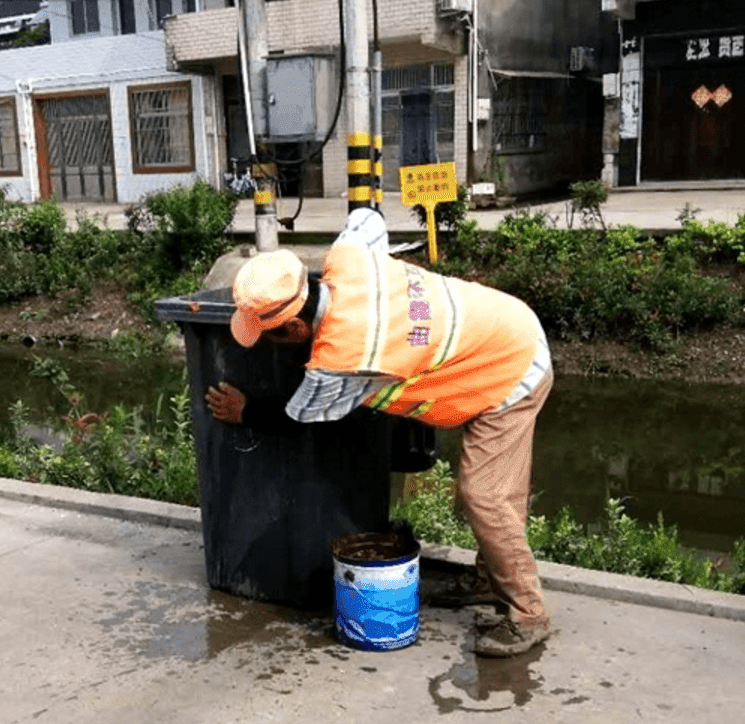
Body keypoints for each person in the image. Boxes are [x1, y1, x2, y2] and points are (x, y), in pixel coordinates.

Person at [205, 208, 554, 658]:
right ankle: (489, 581)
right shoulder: (348, 259)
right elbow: (367, 218)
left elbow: (302, 414)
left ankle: (527, 614)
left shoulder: (348, 356)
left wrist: (247, 410)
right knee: (498, 492)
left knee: (486, 496)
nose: (265, 342)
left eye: (268, 335)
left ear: (295, 327)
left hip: (512, 365)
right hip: (496, 321)